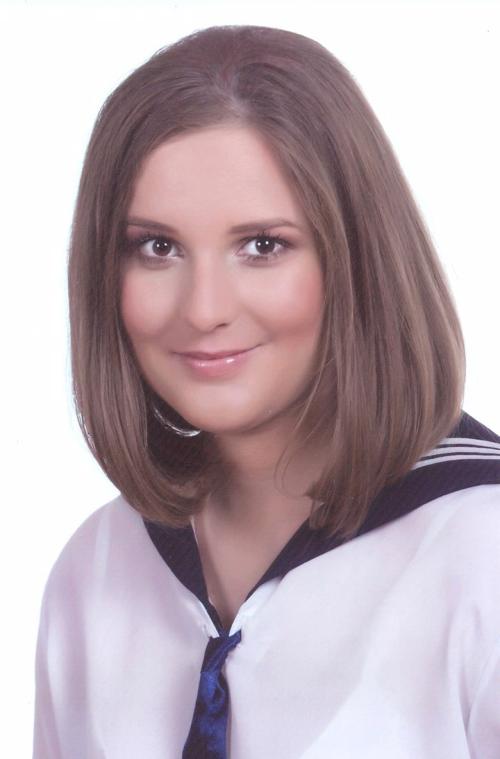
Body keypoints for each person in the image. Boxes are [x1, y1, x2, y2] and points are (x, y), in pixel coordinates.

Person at [32, 24, 500, 759]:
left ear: (358, 258)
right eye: (158, 247)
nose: (204, 308)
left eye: (262, 245)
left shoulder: (482, 559)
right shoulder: (95, 571)